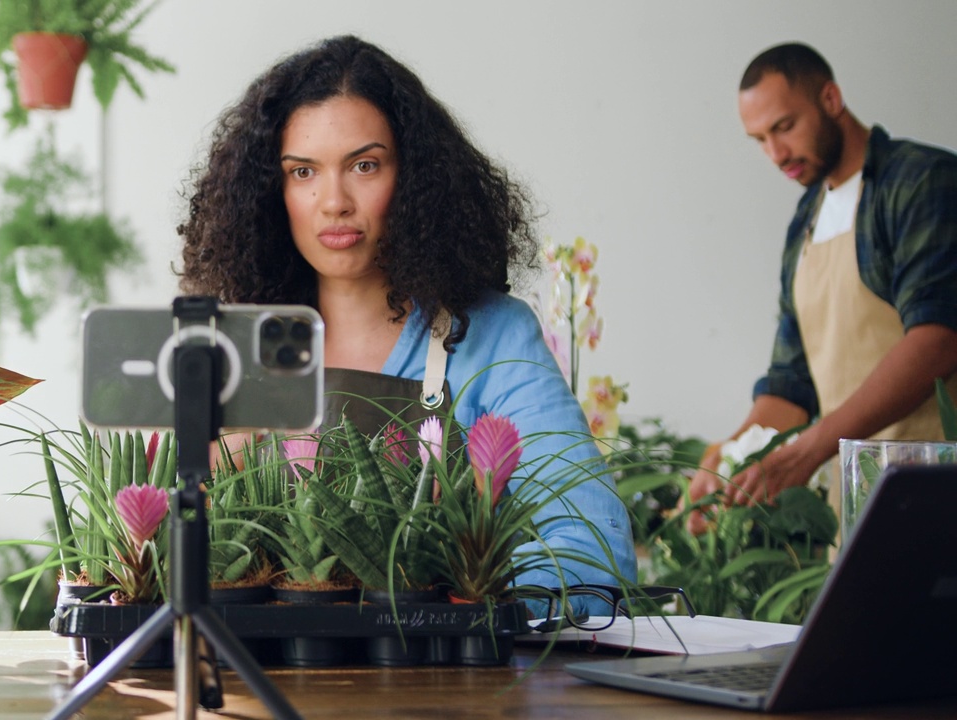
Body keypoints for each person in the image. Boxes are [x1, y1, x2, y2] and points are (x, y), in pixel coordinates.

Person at [176, 35, 637, 592]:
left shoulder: (493, 337)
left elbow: (591, 553)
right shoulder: (230, 350)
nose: (334, 200)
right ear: (269, 192)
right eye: (303, 172)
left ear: (416, 177)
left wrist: (459, 619)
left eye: (364, 165)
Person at [687, 42, 957, 534]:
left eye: (784, 127)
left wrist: (811, 449)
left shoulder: (922, 182)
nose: (776, 154)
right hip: (857, 508)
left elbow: (937, 340)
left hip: (937, 490)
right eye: (759, 139)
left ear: (830, 99)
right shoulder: (804, 225)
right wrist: (726, 462)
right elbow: (790, 387)